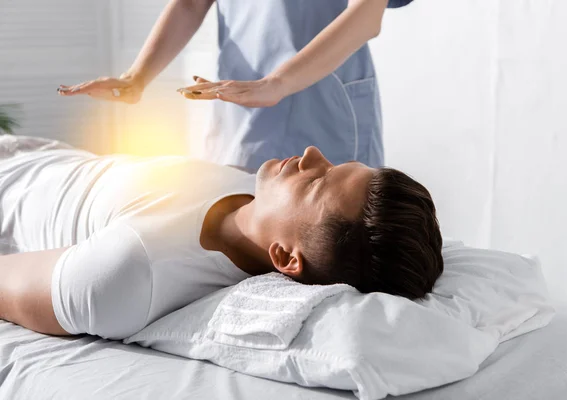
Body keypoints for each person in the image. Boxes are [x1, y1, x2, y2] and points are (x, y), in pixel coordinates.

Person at [0, 136, 442, 341]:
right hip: (40, 151)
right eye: (333, 162)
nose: (311, 154)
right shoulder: (257, 195)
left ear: (286, 257)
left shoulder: (126, 276)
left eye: (317, 181)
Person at [58, 0, 415, 171]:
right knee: (240, 234)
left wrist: (277, 83)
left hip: (326, 105)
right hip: (241, 109)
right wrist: (136, 78)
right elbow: (190, 4)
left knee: (333, 235)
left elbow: (367, 15)